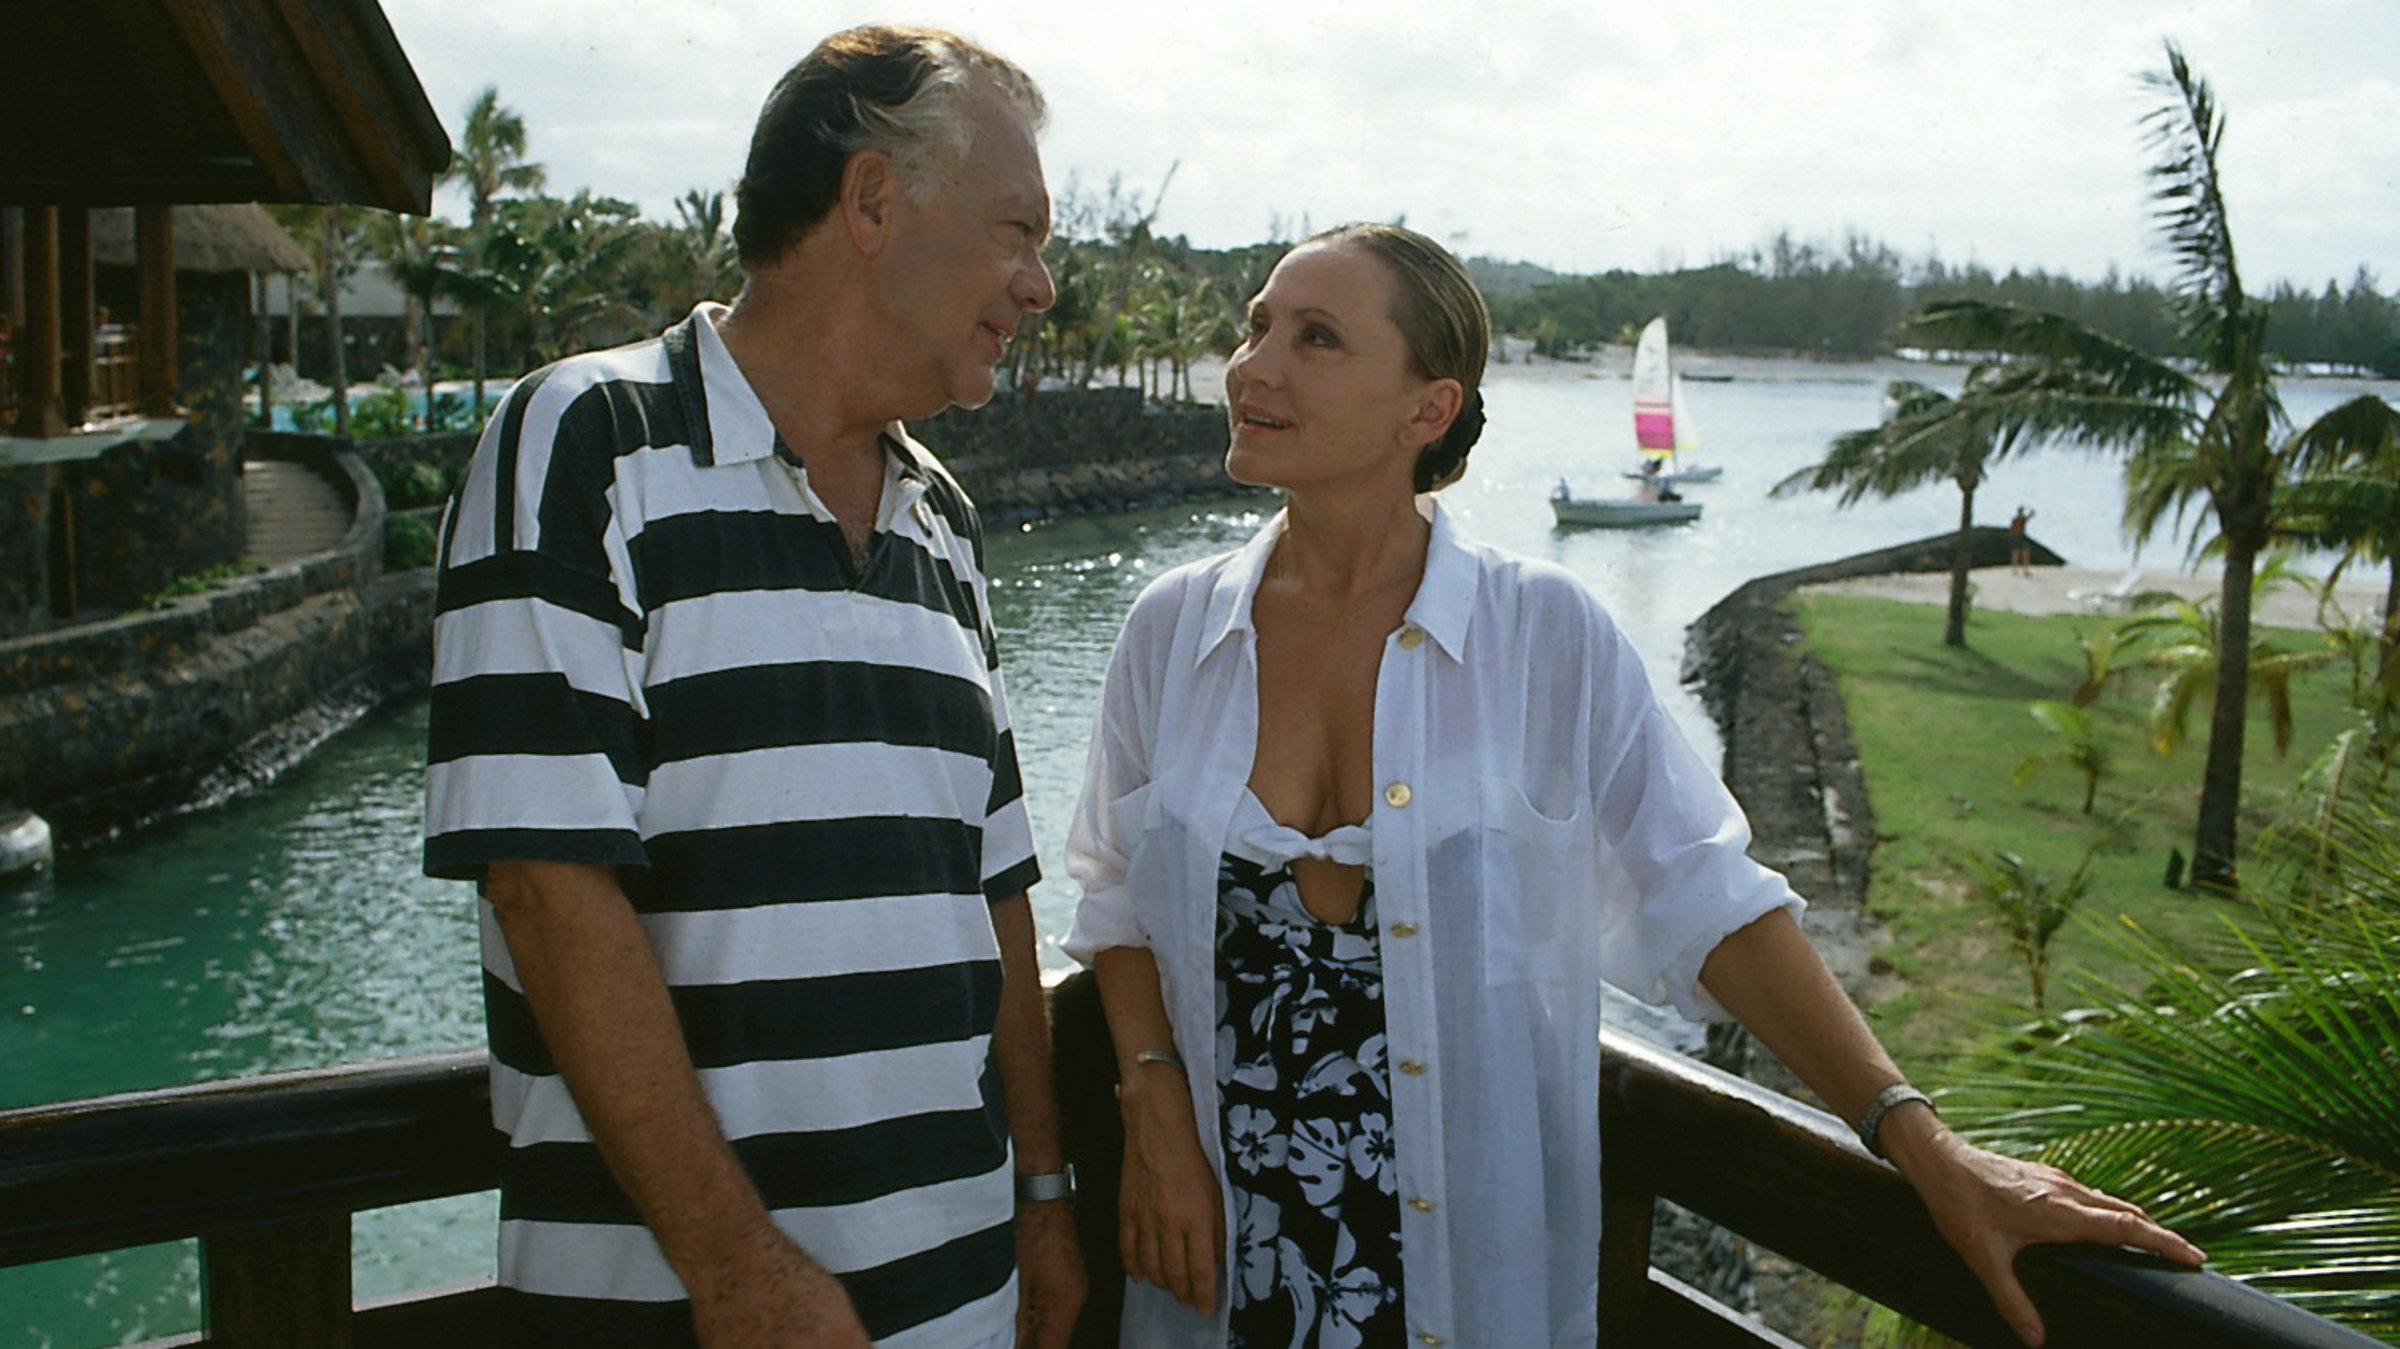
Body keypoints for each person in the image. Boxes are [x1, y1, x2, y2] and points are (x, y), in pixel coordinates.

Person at [1064, 223, 2202, 1349]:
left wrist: (1921, 1140)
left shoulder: (1540, 633)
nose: (1253, 364)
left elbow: (1704, 896)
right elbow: (1116, 895)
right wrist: (1153, 1102)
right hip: (1213, 1256)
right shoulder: (1174, 630)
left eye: (1315, 338)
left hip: (1466, 1274)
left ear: (1428, 409)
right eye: (1258, 324)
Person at [422, 26, 1082, 1349]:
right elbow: (547, 883)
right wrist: (738, 1268)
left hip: (963, 1302)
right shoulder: (587, 441)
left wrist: (1047, 1202)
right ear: (873, 201)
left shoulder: (942, 521)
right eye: (1018, 229)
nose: (1041, 283)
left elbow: (994, 891)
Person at [2010, 505, 2037, 575]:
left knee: (2016, 553)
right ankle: (2025, 571)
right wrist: (2030, 509)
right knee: (2024, 554)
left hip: (2016, 537)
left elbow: (2012, 528)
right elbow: (2032, 514)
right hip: (2021, 537)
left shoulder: (2015, 519)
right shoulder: (2022, 519)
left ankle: (2015, 570)